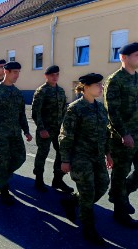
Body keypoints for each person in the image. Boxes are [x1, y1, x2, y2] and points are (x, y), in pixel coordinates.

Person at [59, 73, 113, 245]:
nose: (101, 87)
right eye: (98, 84)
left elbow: (105, 133)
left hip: (97, 156)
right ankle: (88, 228)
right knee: (88, 192)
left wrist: (108, 153)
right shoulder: (75, 108)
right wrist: (65, 160)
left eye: (101, 84)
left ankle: (73, 201)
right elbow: (66, 136)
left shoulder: (100, 108)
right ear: (86, 87)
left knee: (103, 185)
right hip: (80, 158)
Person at [0, 61, 32, 205]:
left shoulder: (17, 92)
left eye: (18, 72)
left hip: (15, 133)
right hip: (0, 135)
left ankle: (1, 176)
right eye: (14, 72)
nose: (17, 75)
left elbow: (21, 114)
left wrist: (26, 131)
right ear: (6, 72)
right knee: (4, 161)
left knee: (20, 157)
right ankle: (3, 189)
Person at [103, 42, 138, 228]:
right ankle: (120, 211)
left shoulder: (137, 78)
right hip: (122, 138)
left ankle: (120, 195)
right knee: (120, 173)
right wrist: (124, 133)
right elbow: (112, 112)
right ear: (124, 57)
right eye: (136, 55)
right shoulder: (115, 80)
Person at [31, 65, 73, 193]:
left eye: (57, 75)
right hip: (45, 130)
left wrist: (65, 127)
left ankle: (58, 180)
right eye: (52, 75)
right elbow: (35, 112)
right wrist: (42, 129)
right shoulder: (41, 91)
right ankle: (39, 179)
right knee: (42, 153)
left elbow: (64, 110)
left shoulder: (60, 91)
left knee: (62, 153)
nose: (55, 77)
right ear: (46, 76)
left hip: (58, 129)